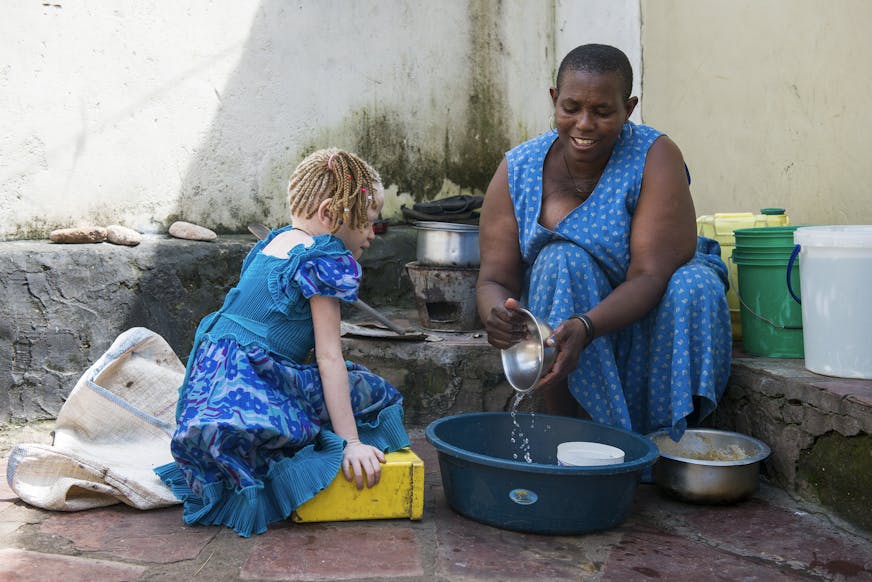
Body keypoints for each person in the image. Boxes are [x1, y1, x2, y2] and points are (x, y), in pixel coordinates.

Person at [476, 44, 731, 439]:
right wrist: (498, 316)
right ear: (554, 100)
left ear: (628, 109)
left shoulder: (654, 155)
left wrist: (588, 324)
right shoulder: (518, 169)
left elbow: (649, 274)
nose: (583, 124)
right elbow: (494, 279)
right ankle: (573, 436)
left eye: (602, 111)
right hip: (573, 314)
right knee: (559, 260)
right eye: (571, 107)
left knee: (693, 286)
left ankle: (671, 443)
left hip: (654, 309)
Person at [155, 148, 409, 537]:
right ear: (330, 214)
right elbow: (328, 357)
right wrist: (351, 442)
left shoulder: (272, 245)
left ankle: (232, 439)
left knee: (288, 407)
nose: (372, 236)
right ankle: (299, 447)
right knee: (373, 393)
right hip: (255, 377)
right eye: (369, 223)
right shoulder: (322, 258)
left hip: (212, 386)